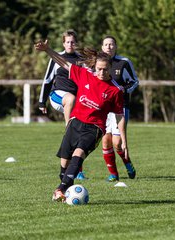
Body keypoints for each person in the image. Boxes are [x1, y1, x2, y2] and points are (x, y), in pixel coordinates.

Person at [34, 39, 128, 202]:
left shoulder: (115, 91)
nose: (101, 73)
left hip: (94, 128)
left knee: (79, 154)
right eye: (98, 69)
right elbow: (63, 63)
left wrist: (124, 140)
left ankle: (60, 189)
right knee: (64, 162)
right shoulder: (85, 75)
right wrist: (48, 50)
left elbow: (120, 116)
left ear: (110, 68)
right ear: (94, 67)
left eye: (105, 70)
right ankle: (64, 186)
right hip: (75, 122)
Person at [38, 29, 86, 180]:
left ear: (76, 43)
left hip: (75, 100)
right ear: (63, 43)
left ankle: (78, 171)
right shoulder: (56, 58)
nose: (70, 44)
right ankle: (68, 127)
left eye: (72, 42)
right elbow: (47, 80)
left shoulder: (81, 59)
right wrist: (41, 101)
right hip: (57, 96)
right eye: (67, 42)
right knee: (70, 100)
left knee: (80, 136)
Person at [100, 36, 139, 182]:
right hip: (104, 108)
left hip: (120, 107)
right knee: (105, 141)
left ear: (115, 46)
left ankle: (127, 162)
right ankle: (113, 174)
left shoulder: (124, 62)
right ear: (102, 47)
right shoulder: (99, 63)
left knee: (117, 142)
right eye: (106, 44)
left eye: (111, 44)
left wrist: (123, 90)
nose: (109, 47)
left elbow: (134, 81)